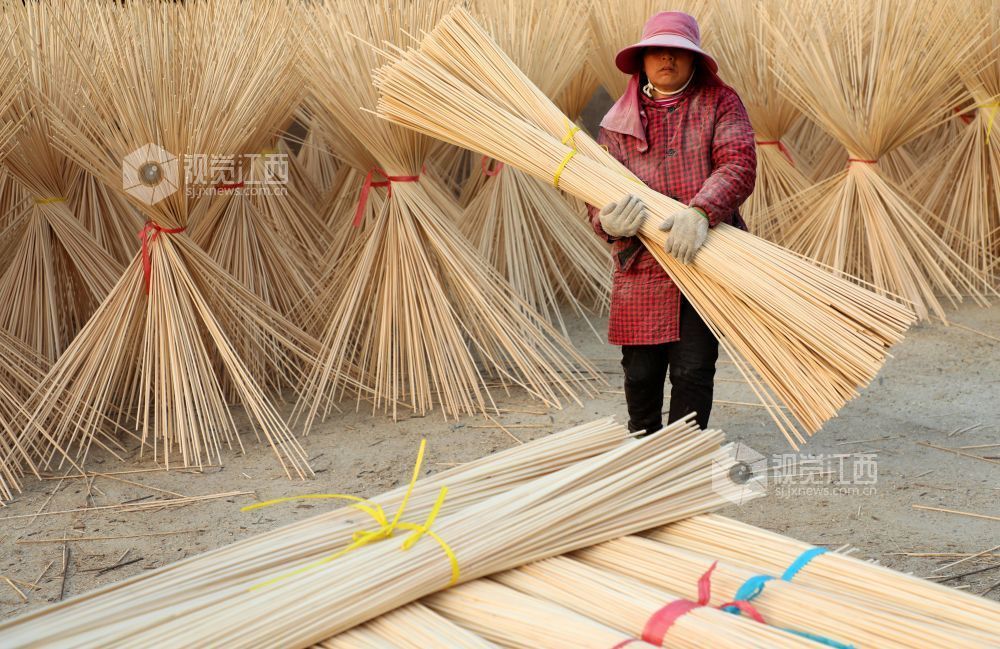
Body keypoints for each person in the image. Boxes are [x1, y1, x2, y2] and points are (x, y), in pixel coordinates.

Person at [588, 11, 756, 435]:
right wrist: (608, 221)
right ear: (642, 60)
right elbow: (595, 190)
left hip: (705, 253)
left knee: (693, 368)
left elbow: (738, 162)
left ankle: (685, 458)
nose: (667, 57)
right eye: (657, 50)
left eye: (679, 51)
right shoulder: (615, 123)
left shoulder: (720, 102)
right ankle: (643, 446)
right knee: (641, 372)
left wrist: (701, 212)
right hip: (643, 263)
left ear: (694, 60)